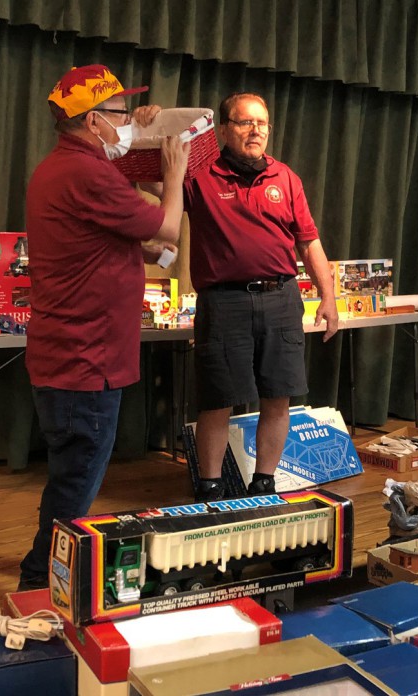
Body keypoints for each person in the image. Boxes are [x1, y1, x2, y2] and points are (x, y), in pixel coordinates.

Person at [18, 65, 189, 591]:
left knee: (71, 477)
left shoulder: (70, 168)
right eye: (120, 113)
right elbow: (168, 224)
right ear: (93, 121)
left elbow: (102, 239)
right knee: (76, 485)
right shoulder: (85, 173)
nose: (128, 120)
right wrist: (174, 171)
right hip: (84, 360)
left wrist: (141, 140)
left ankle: (43, 571)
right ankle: (40, 583)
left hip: (74, 355)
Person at [184, 92, 340, 501]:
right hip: (223, 303)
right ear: (224, 130)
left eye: (262, 123)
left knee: (278, 397)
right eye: (245, 122)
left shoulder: (285, 178)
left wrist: (328, 297)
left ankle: (264, 483)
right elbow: (149, 180)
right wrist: (145, 130)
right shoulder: (198, 176)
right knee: (217, 400)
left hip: (280, 300)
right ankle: (210, 489)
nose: (256, 131)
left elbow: (308, 242)